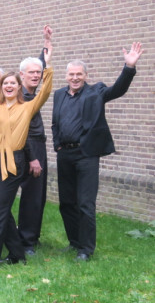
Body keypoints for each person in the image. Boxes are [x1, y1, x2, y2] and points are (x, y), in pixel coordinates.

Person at [52, 42, 143, 261]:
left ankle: (86, 249)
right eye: (71, 74)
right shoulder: (58, 95)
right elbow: (55, 122)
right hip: (65, 154)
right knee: (67, 203)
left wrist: (128, 68)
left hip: (86, 155)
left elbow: (117, 90)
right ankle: (74, 242)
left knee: (85, 204)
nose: (75, 78)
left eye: (79, 74)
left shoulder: (96, 91)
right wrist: (57, 144)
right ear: (66, 76)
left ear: (85, 75)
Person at [0, 41, 53, 269]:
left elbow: (46, 91)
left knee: (0, 211)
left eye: (13, 83)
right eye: (5, 83)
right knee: (1, 209)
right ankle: (18, 253)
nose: (9, 86)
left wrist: (47, 67)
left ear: (19, 87)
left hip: (15, 162)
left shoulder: (28, 107)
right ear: (0, 87)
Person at [17, 25, 52, 255]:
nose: (36, 75)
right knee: (30, 194)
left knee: (39, 194)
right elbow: (23, 130)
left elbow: (42, 67)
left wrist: (47, 43)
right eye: (31, 72)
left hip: (39, 145)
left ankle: (33, 236)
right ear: (21, 75)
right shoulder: (19, 96)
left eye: (38, 73)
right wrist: (32, 157)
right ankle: (26, 240)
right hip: (27, 146)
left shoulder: (33, 93)